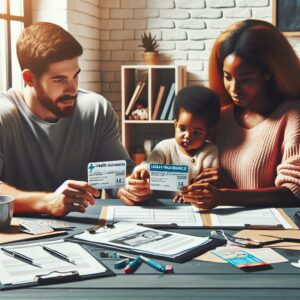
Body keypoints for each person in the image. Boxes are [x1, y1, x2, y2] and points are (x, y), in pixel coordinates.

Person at [0, 22, 150, 217]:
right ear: (29, 78)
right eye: (59, 79)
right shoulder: (4, 116)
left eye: (75, 76)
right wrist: (47, 202)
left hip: (84, 233)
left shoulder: (96, 109)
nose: (72, 90)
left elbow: (119, 178)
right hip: (14, 237)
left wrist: (131, 187)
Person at [179, 19, 300, 209]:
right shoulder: (222, 117)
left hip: (272, 230)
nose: (233, 89)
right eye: (228, 77)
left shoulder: (292, 115)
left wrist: (224, 196)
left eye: (246, 80)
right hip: (221, 224)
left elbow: (293, 193)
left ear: (268, 72)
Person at [132, 86, 220, 199]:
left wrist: (190, 193)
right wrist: (142, 171)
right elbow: (149, 165)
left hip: (193, 208)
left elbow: (208, 184)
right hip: (161, 206)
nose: (187, 136)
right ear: (175, 125)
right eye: (182, 129)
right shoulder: (165, 147)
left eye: (196, 133)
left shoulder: (210, 152)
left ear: (209, 133)